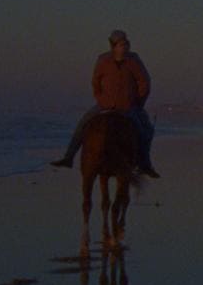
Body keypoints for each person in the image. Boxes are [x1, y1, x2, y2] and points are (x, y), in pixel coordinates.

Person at [51, 30, 160, 178]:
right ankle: (69, 157)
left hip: (128, 106)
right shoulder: (103, 60)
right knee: (83, 124)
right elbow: (95, 81)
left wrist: (138, 102)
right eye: (122, 44)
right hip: (105, 104)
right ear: (113, 46)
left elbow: (144, 83)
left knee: (145, 130)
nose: (125, 46)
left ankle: (145, 164)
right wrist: (100, 98)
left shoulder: (134, 60)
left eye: (126, 43)